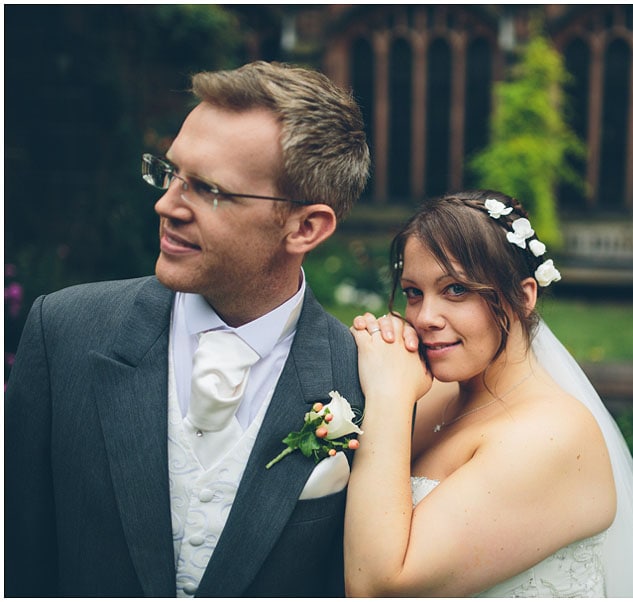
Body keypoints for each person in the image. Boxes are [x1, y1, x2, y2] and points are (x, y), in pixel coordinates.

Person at [5, 61, 372, 597]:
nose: (165, 205)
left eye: (208, 190)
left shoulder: (366, 381)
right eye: (170, 173)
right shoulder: (62, 332)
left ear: (305, 226)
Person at [345, 190, 633, 597]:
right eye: (413, 292)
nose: (424, 317)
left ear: (524, 296)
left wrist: (388, 396)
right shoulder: (432, 397)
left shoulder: (552, 437)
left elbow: (379, 586)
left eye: (455, 290)